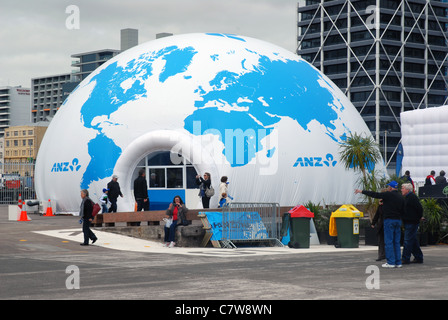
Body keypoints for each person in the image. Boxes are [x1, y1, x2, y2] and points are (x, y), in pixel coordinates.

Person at [355, 180, 405, 268]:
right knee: (396, 242)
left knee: (389, 241)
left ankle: (391, 262)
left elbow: (375, 194)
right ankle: (398, 262)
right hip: (398, 220)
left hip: (389, 220)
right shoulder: (400, 197)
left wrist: (361, 191)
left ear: (390, 187)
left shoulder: (388, 195)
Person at [401, 183, 424, 264]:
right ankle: (419, 257)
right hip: (409, 221)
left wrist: (418, 217)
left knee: (407, 241)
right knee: (412, 240)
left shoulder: (412, 197)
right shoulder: (407, 197)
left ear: (407, 189)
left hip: (412, 222)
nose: (401, 190)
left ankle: (405, 258)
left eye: (402, 188)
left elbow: (419, 208)